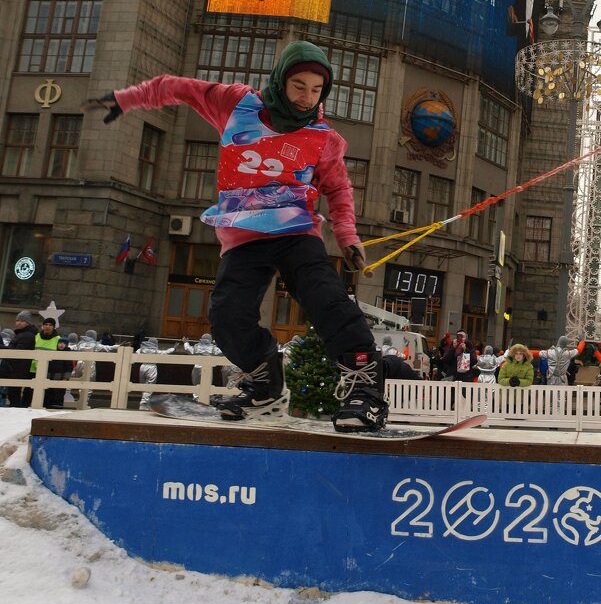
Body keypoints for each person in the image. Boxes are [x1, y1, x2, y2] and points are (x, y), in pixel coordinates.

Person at [82, 41, 385, 432]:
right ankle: (265, 385)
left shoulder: (322, 138)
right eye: (298, 85)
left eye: (315, 90)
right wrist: (128, 99)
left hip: (296, 230)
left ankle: (365, 389)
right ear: (280, 80)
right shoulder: (236, 105)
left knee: (325, 298)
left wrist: (347, 237)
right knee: (227, 316)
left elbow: (339, 189)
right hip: (244, 234)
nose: (306, 97)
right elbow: (178, 87)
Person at [34, 316, 66, 408]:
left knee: (49, 396)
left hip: (51, 371)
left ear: (54, 327)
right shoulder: (36, 337)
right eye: (46, 324)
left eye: (50, 325)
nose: (48, 326)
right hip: (34, 370)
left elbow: (64, 358)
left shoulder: (59, 339)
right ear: (42, 326)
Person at [8, 311, 38, 407]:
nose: (19, 323)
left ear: (28, 322)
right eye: (17, 320)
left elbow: (18, 351)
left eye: (22, 321)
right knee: (14, 392)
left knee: (14, 392)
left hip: (20, 368)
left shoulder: (27, 335)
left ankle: (17, 409)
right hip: (18, 368)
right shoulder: (21, 334)